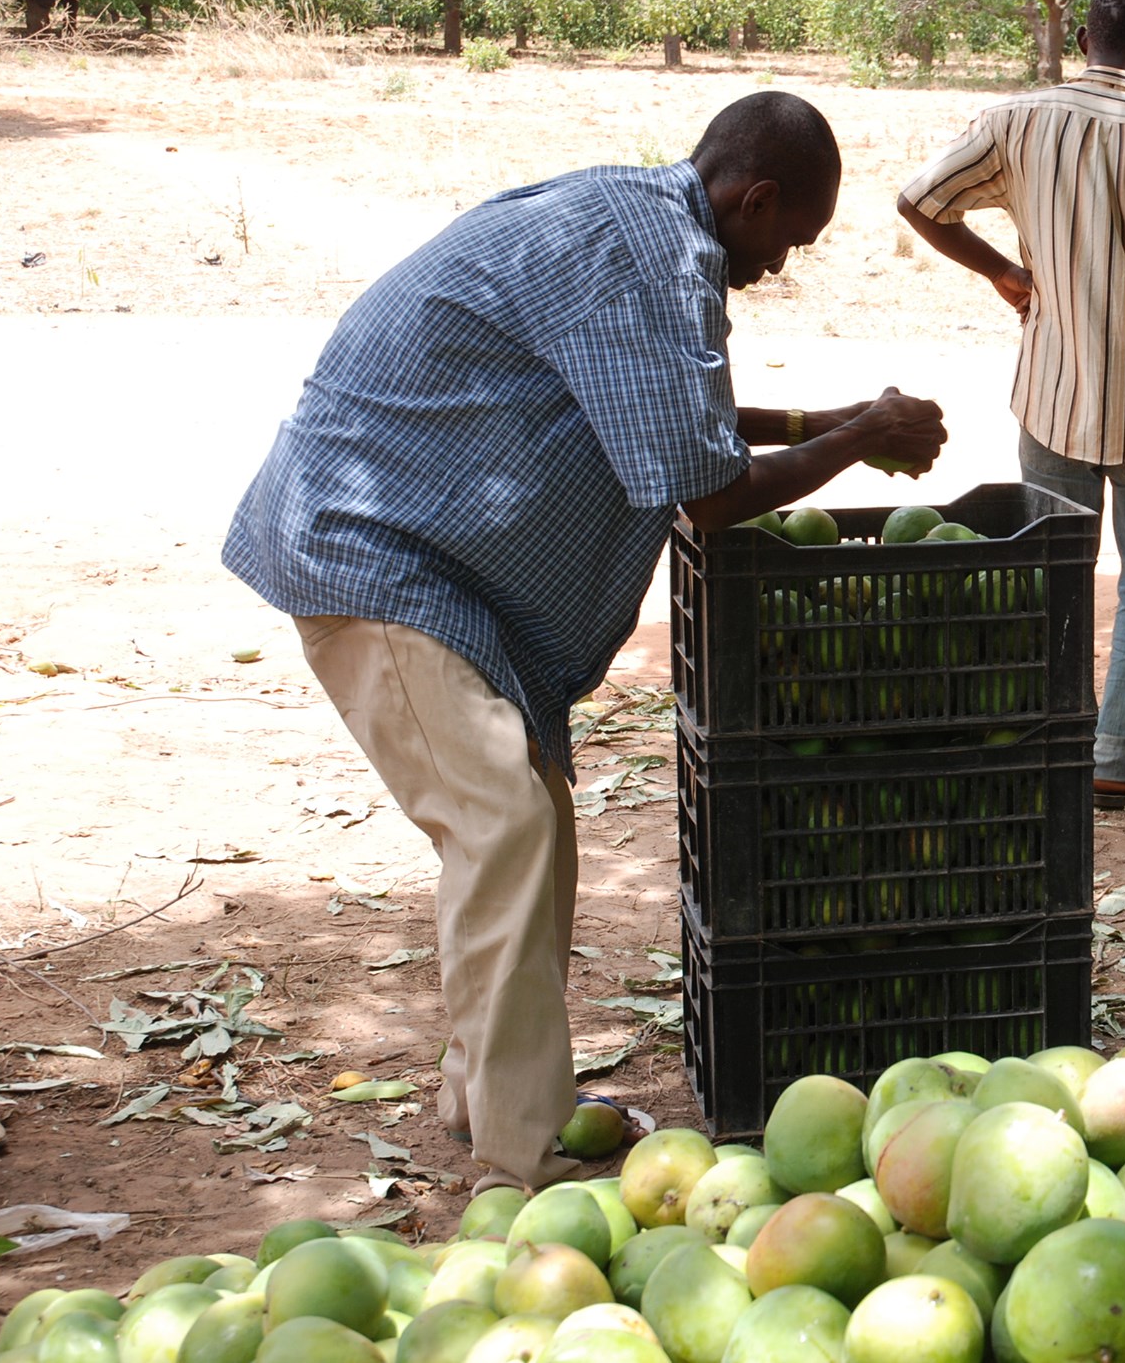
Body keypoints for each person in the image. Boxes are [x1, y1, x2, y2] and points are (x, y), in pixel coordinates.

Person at [223, 93, 946, 1192]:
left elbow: (665, 415)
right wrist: (859, 439)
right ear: (754, 200)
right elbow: (709, 494)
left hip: (428, 567)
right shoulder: (654, 260)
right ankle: (518, 1163)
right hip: (371, 554)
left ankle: (490, 1096)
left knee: (536, 819)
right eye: (789, 241)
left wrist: (825, 424)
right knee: (503, 824)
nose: (779, 266)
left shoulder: (637, 226)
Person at [896, 0, 1125, 811]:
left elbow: (918, 201)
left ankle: (1055, 742)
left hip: (1051, 393)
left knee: (1055, 573)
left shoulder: (1014, 122)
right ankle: (1119, 754)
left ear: (1084, 37)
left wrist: (1003, 272)